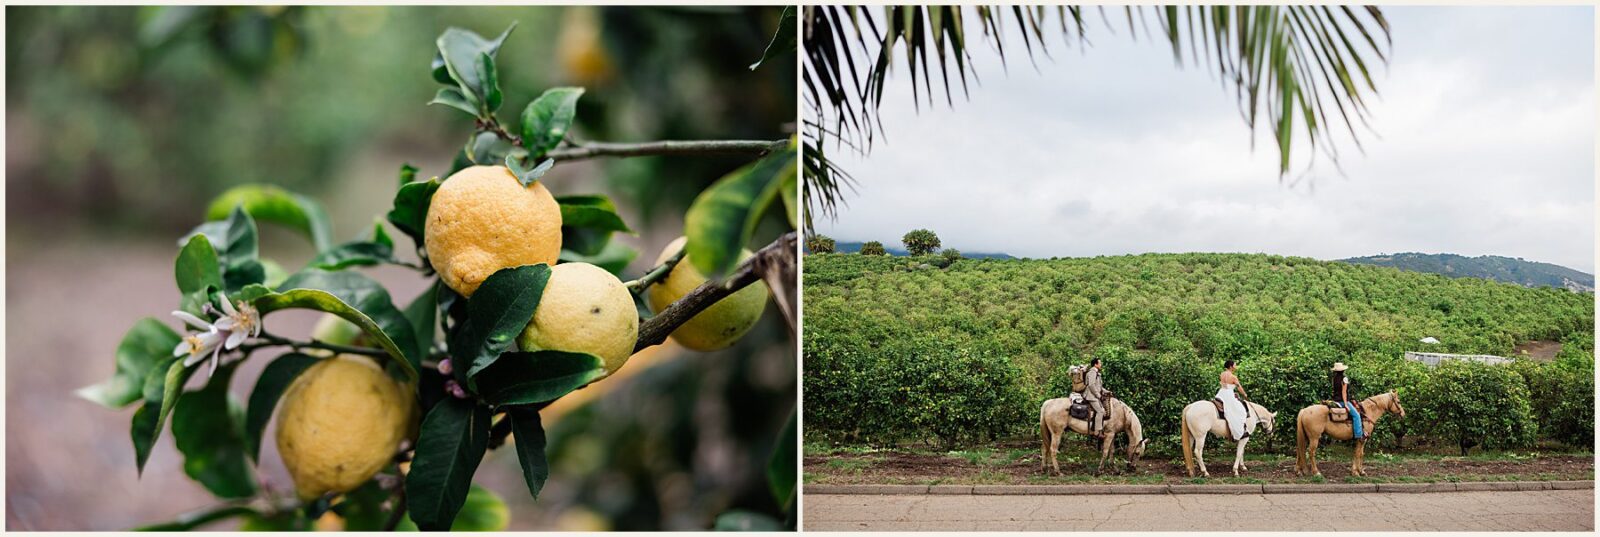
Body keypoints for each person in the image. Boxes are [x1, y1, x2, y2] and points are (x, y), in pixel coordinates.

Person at [1216, 360, 1249, 440]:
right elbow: (1239, 388)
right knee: (1240, 411)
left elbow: (1225, 386)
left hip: (1221, 393)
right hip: (1228, 395)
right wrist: (1245, 394)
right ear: (1231, 367)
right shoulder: (1233, 377)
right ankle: (1238, 432)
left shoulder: (1222, 374)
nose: (1236, 366)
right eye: (1235, 365)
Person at [1331, 362, 1363, 439]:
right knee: (1356, 415)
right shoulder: (1344, 378)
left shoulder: (1334, 378)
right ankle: (1359, 435)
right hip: (1342, 401)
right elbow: (1344, 392)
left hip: (1335, 400)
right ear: (1343, 370)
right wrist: (1345, 404)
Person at [1083, 357, 1108, 437]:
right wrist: (1098, 395)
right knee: (1100, 411)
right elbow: (1091, 385)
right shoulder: (1092, 372)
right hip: (1091, 396)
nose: (1101, 365)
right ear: (1095, 364)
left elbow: (1099, 386)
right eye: (1100, 363)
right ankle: (1097, 432)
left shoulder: (1097, 373)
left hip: (1094, 395)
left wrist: (1106, 391)